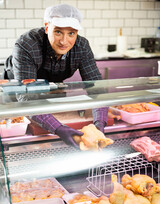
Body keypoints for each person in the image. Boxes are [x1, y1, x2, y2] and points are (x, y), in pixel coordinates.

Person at [3, 4, 108, 148]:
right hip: (16, 95)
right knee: (24, 140)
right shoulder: (27, 44)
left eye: (71, 33)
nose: (64, 41)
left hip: (51, 90)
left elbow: (97, 89)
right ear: (47, 27)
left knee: (49, 142)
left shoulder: (82, 46)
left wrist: (100, 123)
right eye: (58, 32)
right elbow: (26, 98)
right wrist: (58, 128)